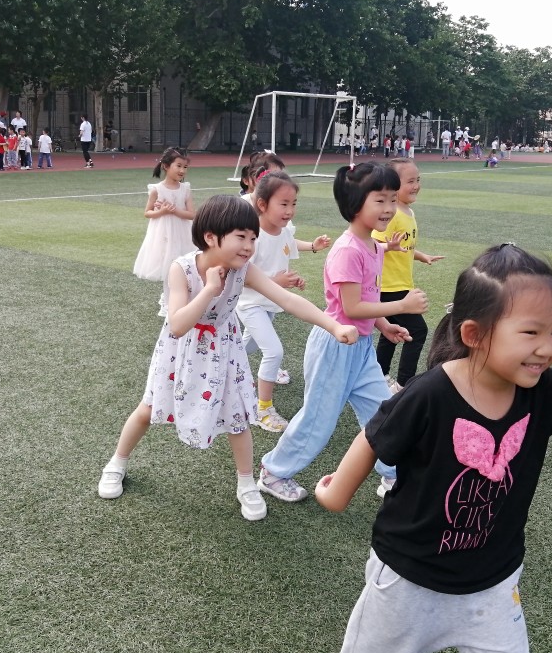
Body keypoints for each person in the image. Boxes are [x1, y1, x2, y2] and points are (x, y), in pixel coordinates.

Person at [315, 243, 552, 653]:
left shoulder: (540, 390)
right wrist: (337, 493)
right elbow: (376, 435)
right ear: (474, 335)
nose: (548, 348)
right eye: (531, 332)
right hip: (406, 583)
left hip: (492, 584)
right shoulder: (430, 393)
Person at [97, 195, 359, 521]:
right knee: (150, 408)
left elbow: (287, 300)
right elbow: (178, 325)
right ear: (211, 237)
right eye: (241, 237)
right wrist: (209, 288)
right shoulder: (182, 269)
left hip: (224, 349)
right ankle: (117, 463)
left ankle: (246, 484)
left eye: (253, 238)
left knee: (237, 417)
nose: (249, 246)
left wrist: (333, 325)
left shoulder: (243, 269)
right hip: (182, 352)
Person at [258, 162, 428, 503]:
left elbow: (368, 298)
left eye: (392, 199)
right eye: (380, 200)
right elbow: (350, 308)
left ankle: (393, 476)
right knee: (318, 421)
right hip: (334, 347)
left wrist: (384, 325)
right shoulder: (348, 250)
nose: (389, 208)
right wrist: (401, 306)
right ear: (355, 204)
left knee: (384, 412)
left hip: (360, 348)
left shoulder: (372, 245)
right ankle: (273, 472)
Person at [237, 170, 331, 433]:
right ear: (262, 204)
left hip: (269, 302)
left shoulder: (284, 230)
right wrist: (276, 282)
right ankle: (262, 409)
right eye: (283, 204)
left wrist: (311, 248)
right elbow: (238, 276)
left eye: (293, 204)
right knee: (274, 351)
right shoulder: (251, 236)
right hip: (250, 304)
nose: (290, 210)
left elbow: (287, 245)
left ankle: (221, 369)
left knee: (247, 347)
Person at [373, 158, 444, 394]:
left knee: (390, 333)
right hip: (389, 286)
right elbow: (373, 245)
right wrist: (388, 247)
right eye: (410, 181)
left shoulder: (407, 212)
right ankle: (403, 383)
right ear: (394, 185)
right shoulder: (391, 215)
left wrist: (421, 255)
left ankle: (378, 376)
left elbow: (403, 247)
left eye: (418, 180)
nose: (416, 186)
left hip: (400, 284)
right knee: (418, 331)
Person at [132, 147, 196, 282]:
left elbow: (192, 214)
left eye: (185, 167)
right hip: (163, 233)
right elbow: (147, 212)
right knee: (165, 262)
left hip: (182, 232)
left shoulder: (185, 189)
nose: (182, 170)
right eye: (178, 166)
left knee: (183, 265)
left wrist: (174, 210)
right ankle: (168, 294)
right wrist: (162, 211)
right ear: (166, 166)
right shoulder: (157, 190)